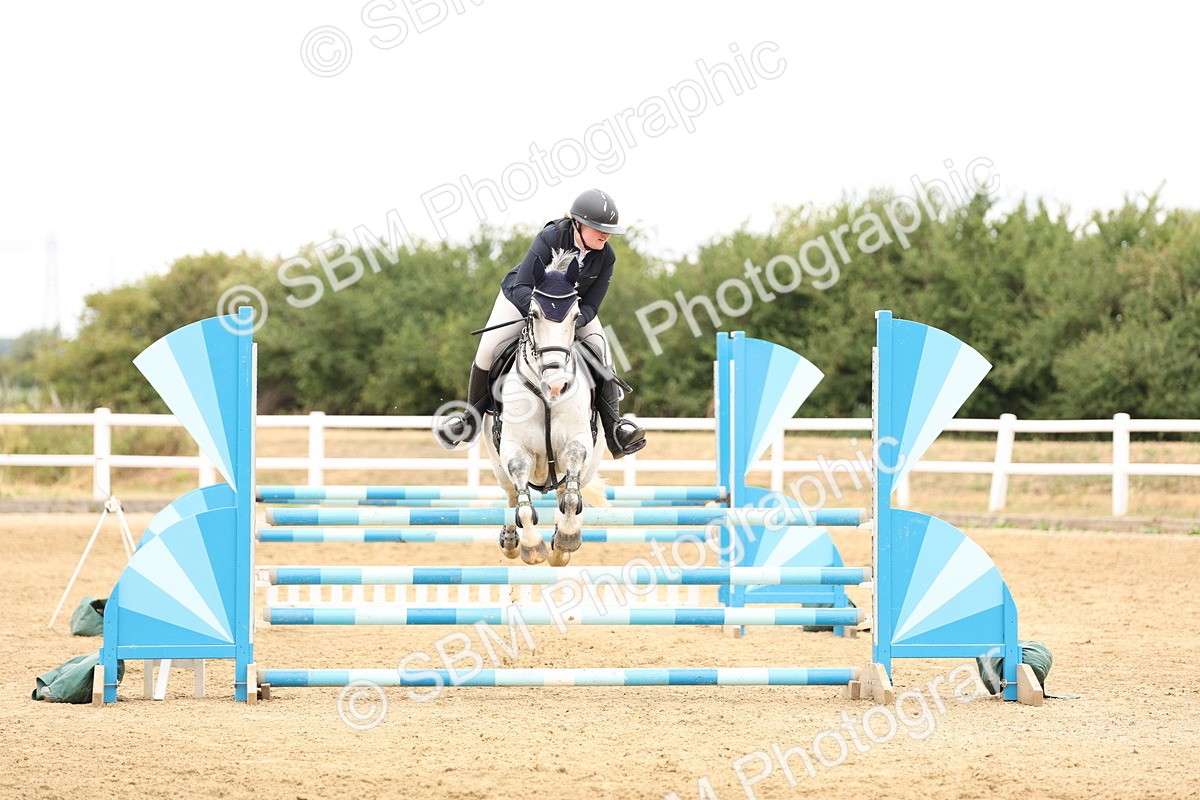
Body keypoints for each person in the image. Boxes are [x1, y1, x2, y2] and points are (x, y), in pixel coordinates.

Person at [435, 189, 647, 458]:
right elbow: (523, 286)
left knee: (601, 350)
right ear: (577, 224)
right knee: (488, 349)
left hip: (571, 310)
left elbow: (592, 305)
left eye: (608, 231)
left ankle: (615, 429)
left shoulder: (607, 256)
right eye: (598, 229)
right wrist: (545, 318)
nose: (605, 235)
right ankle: (469, 421)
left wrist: (568, 323)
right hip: (522, 300)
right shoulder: (551, 237)